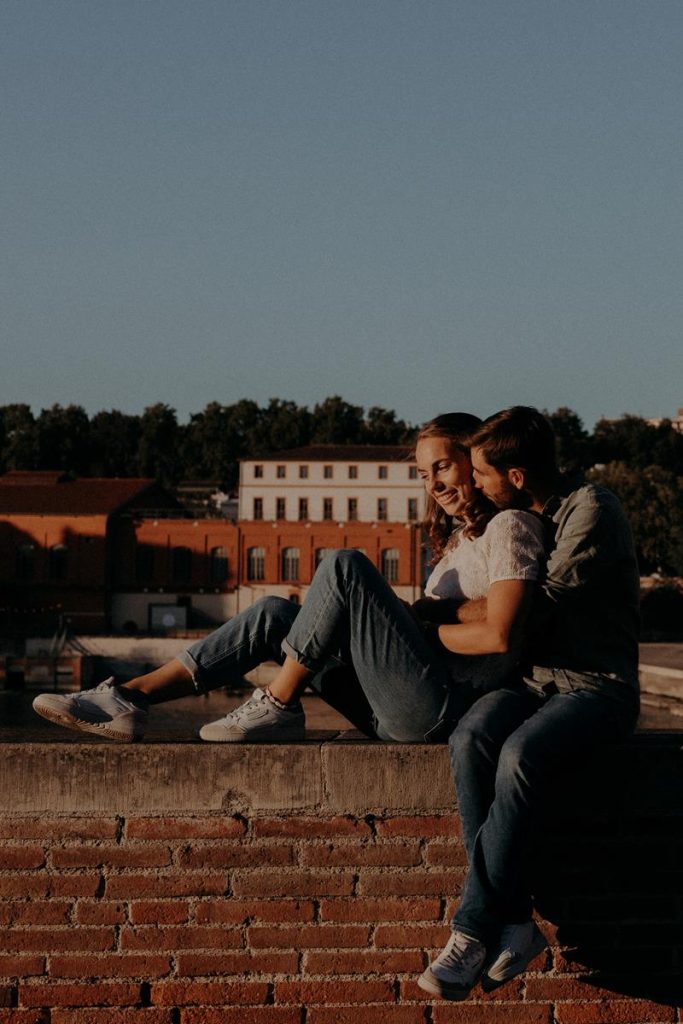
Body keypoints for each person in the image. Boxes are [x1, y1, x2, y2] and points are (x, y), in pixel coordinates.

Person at [33, 413, 547, 745]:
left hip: (439, 711)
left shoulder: (510, 525)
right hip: (396, 700)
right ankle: (127, 699)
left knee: (345, 563)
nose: (433, 484)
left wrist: (419, 625)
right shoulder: (459, 541)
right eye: (423, 474)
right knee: (277, 614)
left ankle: (277, 702)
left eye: (443, 468)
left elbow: (504, 629)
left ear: (476, 462)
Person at [418, 406, 640, 1002]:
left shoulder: (589, 509)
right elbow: (504, 610)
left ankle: (470, 929)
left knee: (519, 755)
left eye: (483, 474)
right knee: (470, 738)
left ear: (514, 476)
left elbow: (533, 608)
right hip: (536, 684)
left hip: (598, 687)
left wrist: (440, 615)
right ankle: (515, 919)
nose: (477, 485)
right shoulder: (528, 516)